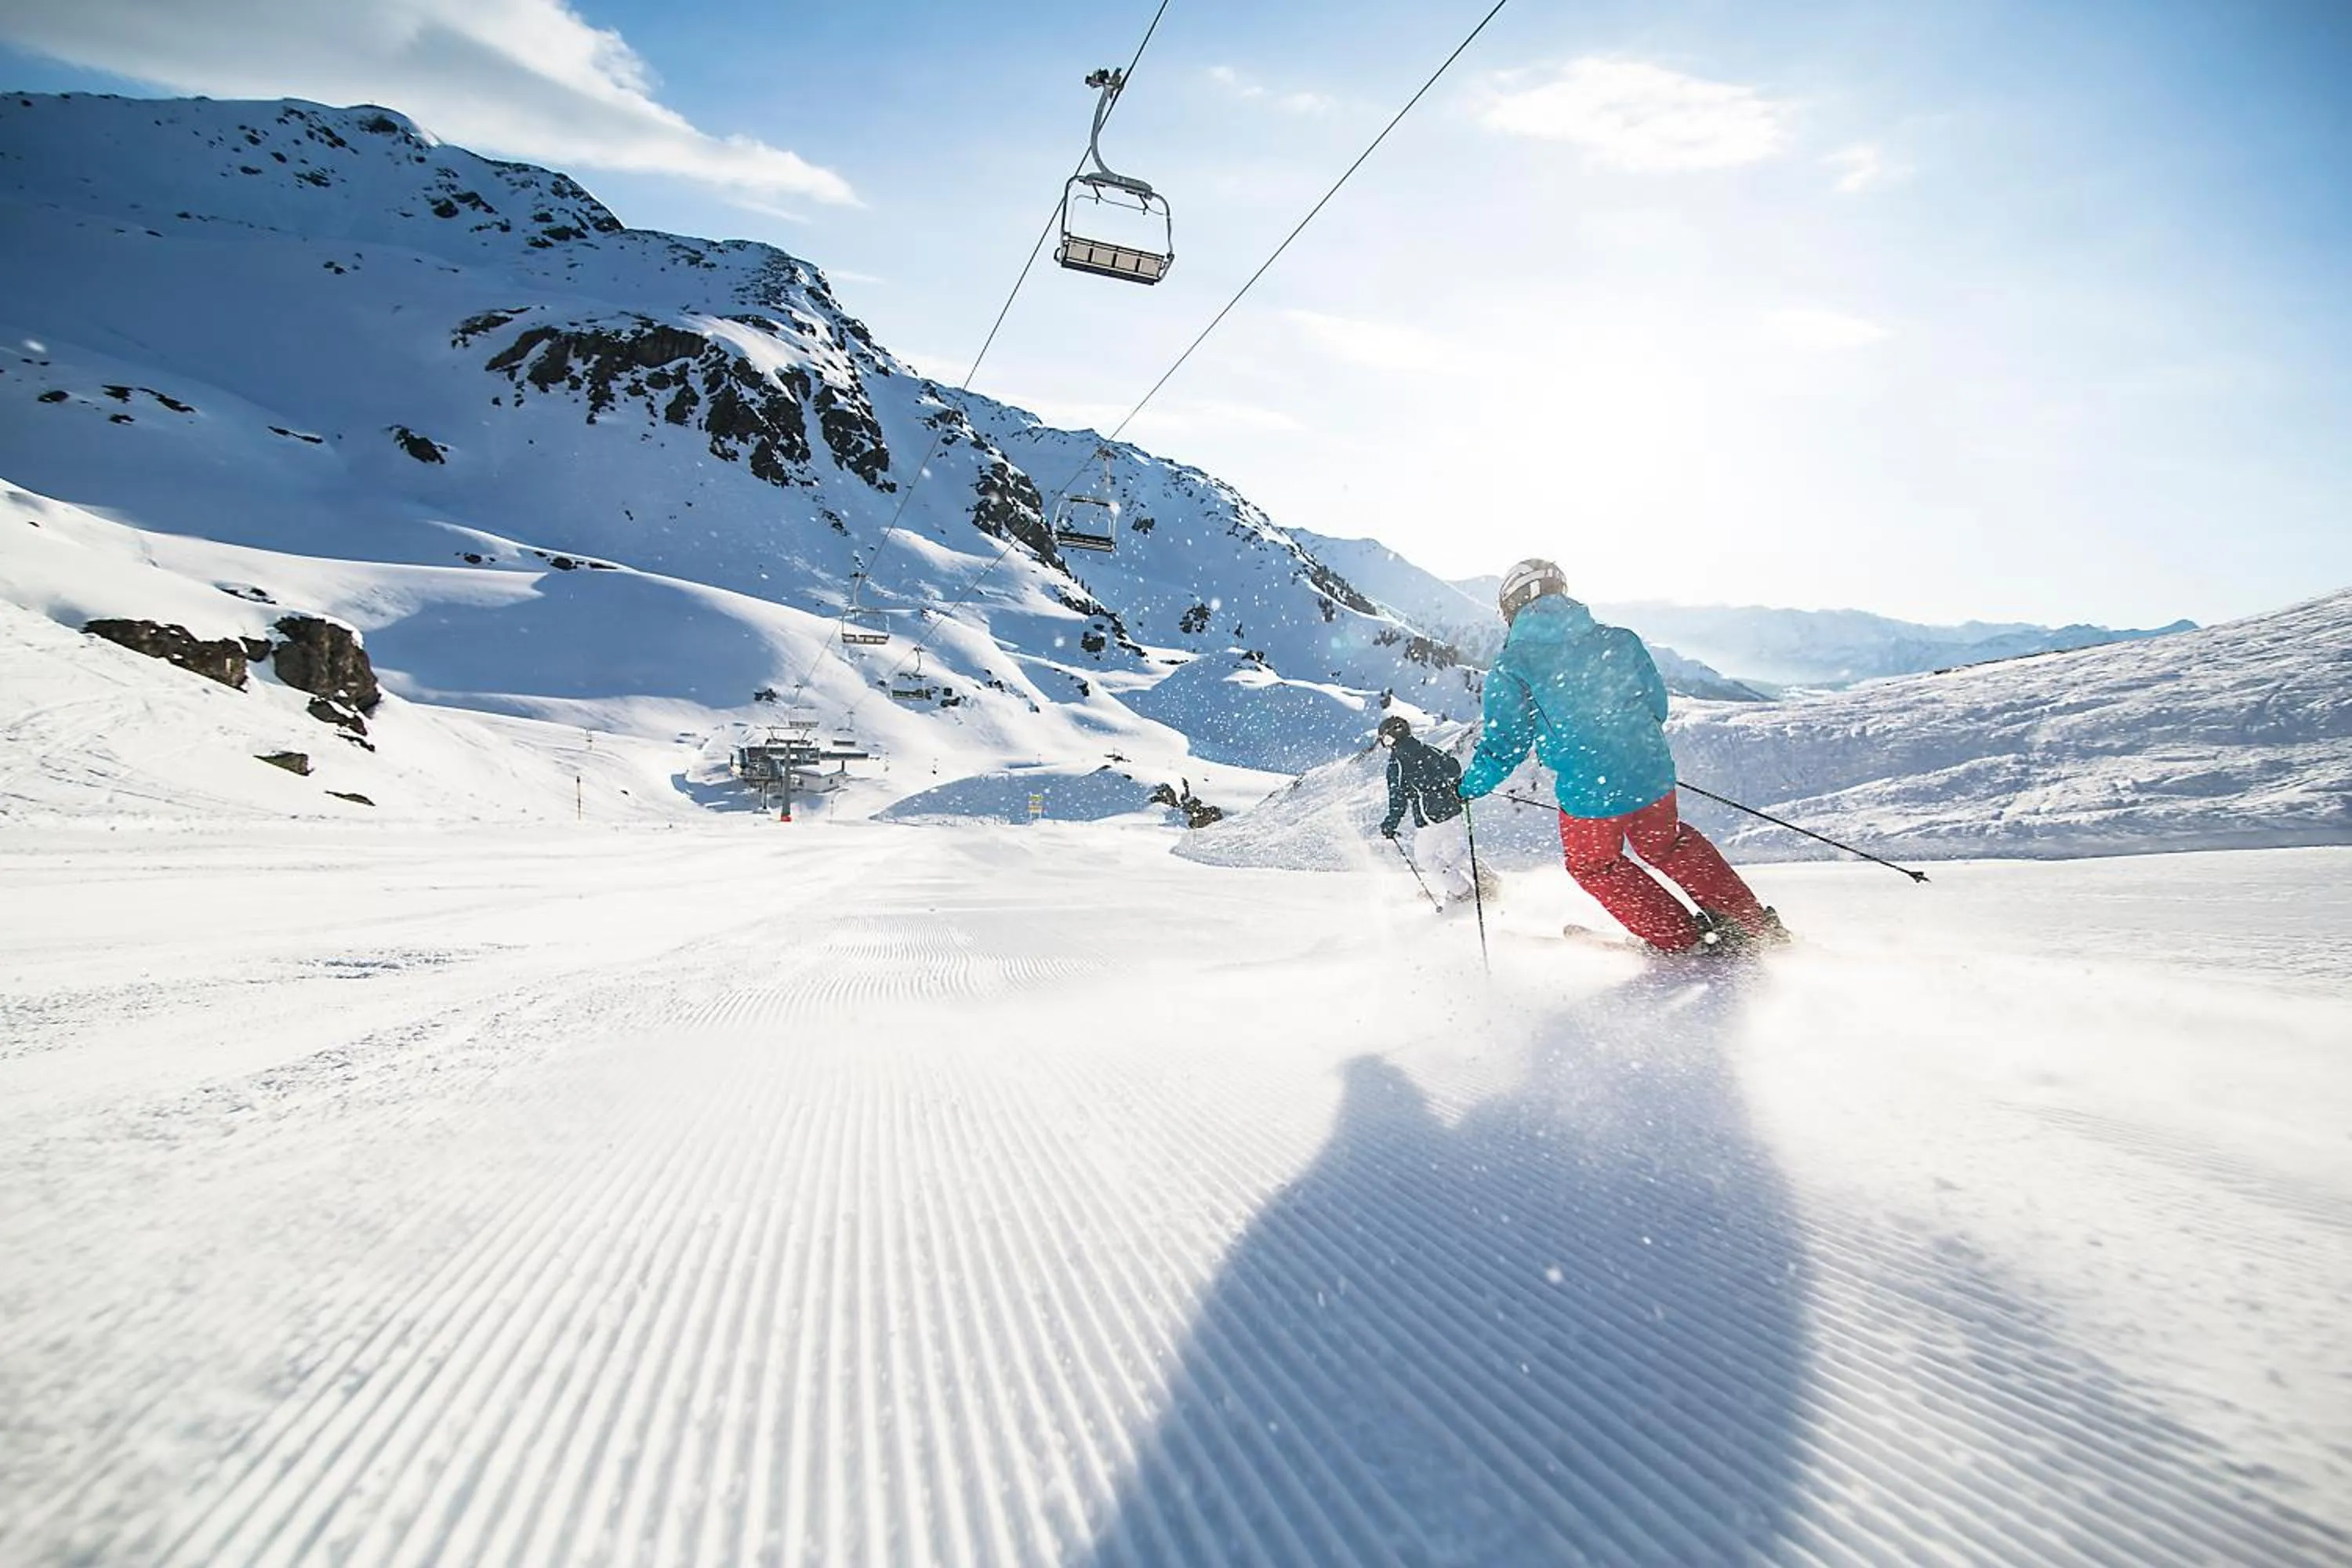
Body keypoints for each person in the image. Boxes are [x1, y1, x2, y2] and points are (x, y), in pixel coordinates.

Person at [1454, 558, 1788, 956]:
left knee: (1594, 865)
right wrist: (1630, 748)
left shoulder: (1514, 664)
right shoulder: (1620, 639)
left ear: (1512, 606)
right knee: (1667, 845)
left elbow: (1506, 744)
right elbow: (1655, 705)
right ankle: (1751, 925)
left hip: (1590, 790)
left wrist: (1469, 786)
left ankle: (1682, 938)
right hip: (1650, 772)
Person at [1375, 714, 1479, 909]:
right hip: (1452, 810)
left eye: (1385, 739)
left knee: (1426, 858)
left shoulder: (1397, 763)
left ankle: (1462, 892)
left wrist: (1391, 823)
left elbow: (1398, 799)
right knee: (1455, 854)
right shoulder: (1427, 749)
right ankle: (1488, 882)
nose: (1385, 745)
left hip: (1431, 816)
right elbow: (1453, 769)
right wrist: (1439, 782)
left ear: (1390, 738)